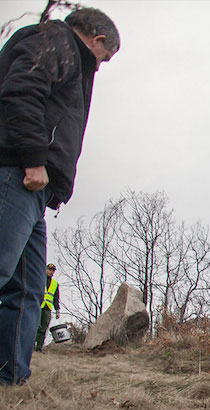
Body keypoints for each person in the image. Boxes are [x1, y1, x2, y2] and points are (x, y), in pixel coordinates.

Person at [0, 7, 119, 385]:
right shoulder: (56, 40)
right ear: (98, 40)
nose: (99, 67)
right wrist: (34, 161)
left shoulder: (66, 52)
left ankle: (10, 379)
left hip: (37, 192)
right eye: (105, 58)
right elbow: (21, 92)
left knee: (28, 290)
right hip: (17, 173)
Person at [35, 262, 59, 351]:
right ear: (45, 270)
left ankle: (39, 347)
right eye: (50, 270)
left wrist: (57, 310)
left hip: (47, 308)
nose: (51, 272)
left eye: (53, 270)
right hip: (38, 306)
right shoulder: (39, 279)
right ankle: (30, 345)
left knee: (44, 328)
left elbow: (56, 298)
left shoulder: (55, 284)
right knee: (36, 326)